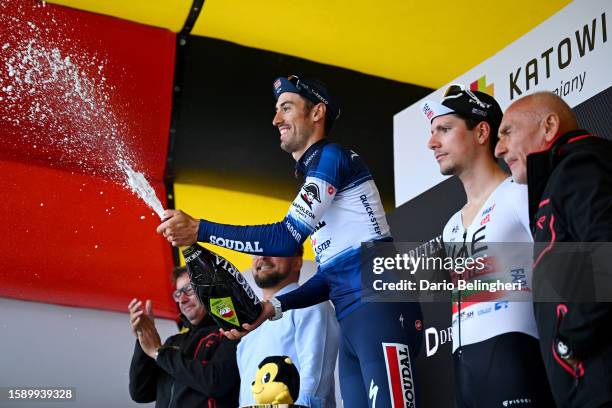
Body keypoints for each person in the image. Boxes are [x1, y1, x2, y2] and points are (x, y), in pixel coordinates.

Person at [157, 75, 423, 408]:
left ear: (317, 113)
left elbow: (284, 238)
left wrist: (200, 230)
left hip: (379, 305)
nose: (275, 119)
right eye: (276, 110)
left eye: (286, 108)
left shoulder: (333, 158)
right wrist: (273, 306)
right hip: (353, 315)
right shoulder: (316, 177)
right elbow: (333, 275)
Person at [422, 85, 554, 407]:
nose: (432, 142)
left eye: (444, 129)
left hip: (518, 359)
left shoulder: (519, 194)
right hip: (464, 372)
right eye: (432, 132)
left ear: (482, 132)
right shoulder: (451, 226)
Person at [495, 91, 612, 407]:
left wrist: (570, 341)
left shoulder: (581, 164)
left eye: (507, 132)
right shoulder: (561, 177)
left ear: (548, 127)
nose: (498, 148)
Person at [237, 247, 339, 407]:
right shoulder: (248, 325)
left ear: (297, 262)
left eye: (274, 248)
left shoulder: (311, 305)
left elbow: (314, 378)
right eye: (256, 251)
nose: (262, 256)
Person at [128, 266, 240, 407]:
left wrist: (159, 352)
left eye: (189, 290)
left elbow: (216, 382)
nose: (182, 299)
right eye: (177, 293)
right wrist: (144, 338)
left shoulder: (231, 333)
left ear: (210, 290)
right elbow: (141, 393)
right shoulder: (173, 342)